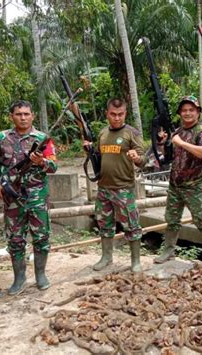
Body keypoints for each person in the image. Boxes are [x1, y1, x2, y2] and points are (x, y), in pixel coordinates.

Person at [0, 100, 58, 295]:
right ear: (12, 116)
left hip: (37, 196)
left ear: (32, 116)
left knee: (41, 236)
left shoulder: (43, 138)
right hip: (12, 197)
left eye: (26, 114)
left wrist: (41, 161)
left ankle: (41, 275)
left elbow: (53, 166)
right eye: (19, 114)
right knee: (15, 239)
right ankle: (19, 279)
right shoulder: (3, 138)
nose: (23, 117)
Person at [83, 98, 146, 273]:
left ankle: (135, 261)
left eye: (120, 114)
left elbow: (144, 160)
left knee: (132, 225)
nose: (117, 118)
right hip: (104, 188)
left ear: (125, 113)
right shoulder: (103, 133)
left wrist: (136, 158)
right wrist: (89, 150)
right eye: (113, 114)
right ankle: (106, 257)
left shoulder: (132, 133)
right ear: (107, 114)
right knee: (104, 224)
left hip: (124, 188)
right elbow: (98, 157)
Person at [154, 95, 202, 269]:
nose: (187, 113)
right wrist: (163, 143)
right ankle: (168, 250)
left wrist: (181, 143)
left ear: (197, 112)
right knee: (172, 219)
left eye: (191, 110)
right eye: (184, 110)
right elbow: (168, 158)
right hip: (175, 185)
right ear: (180, 113)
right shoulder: (177, 132)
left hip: (194, 185)